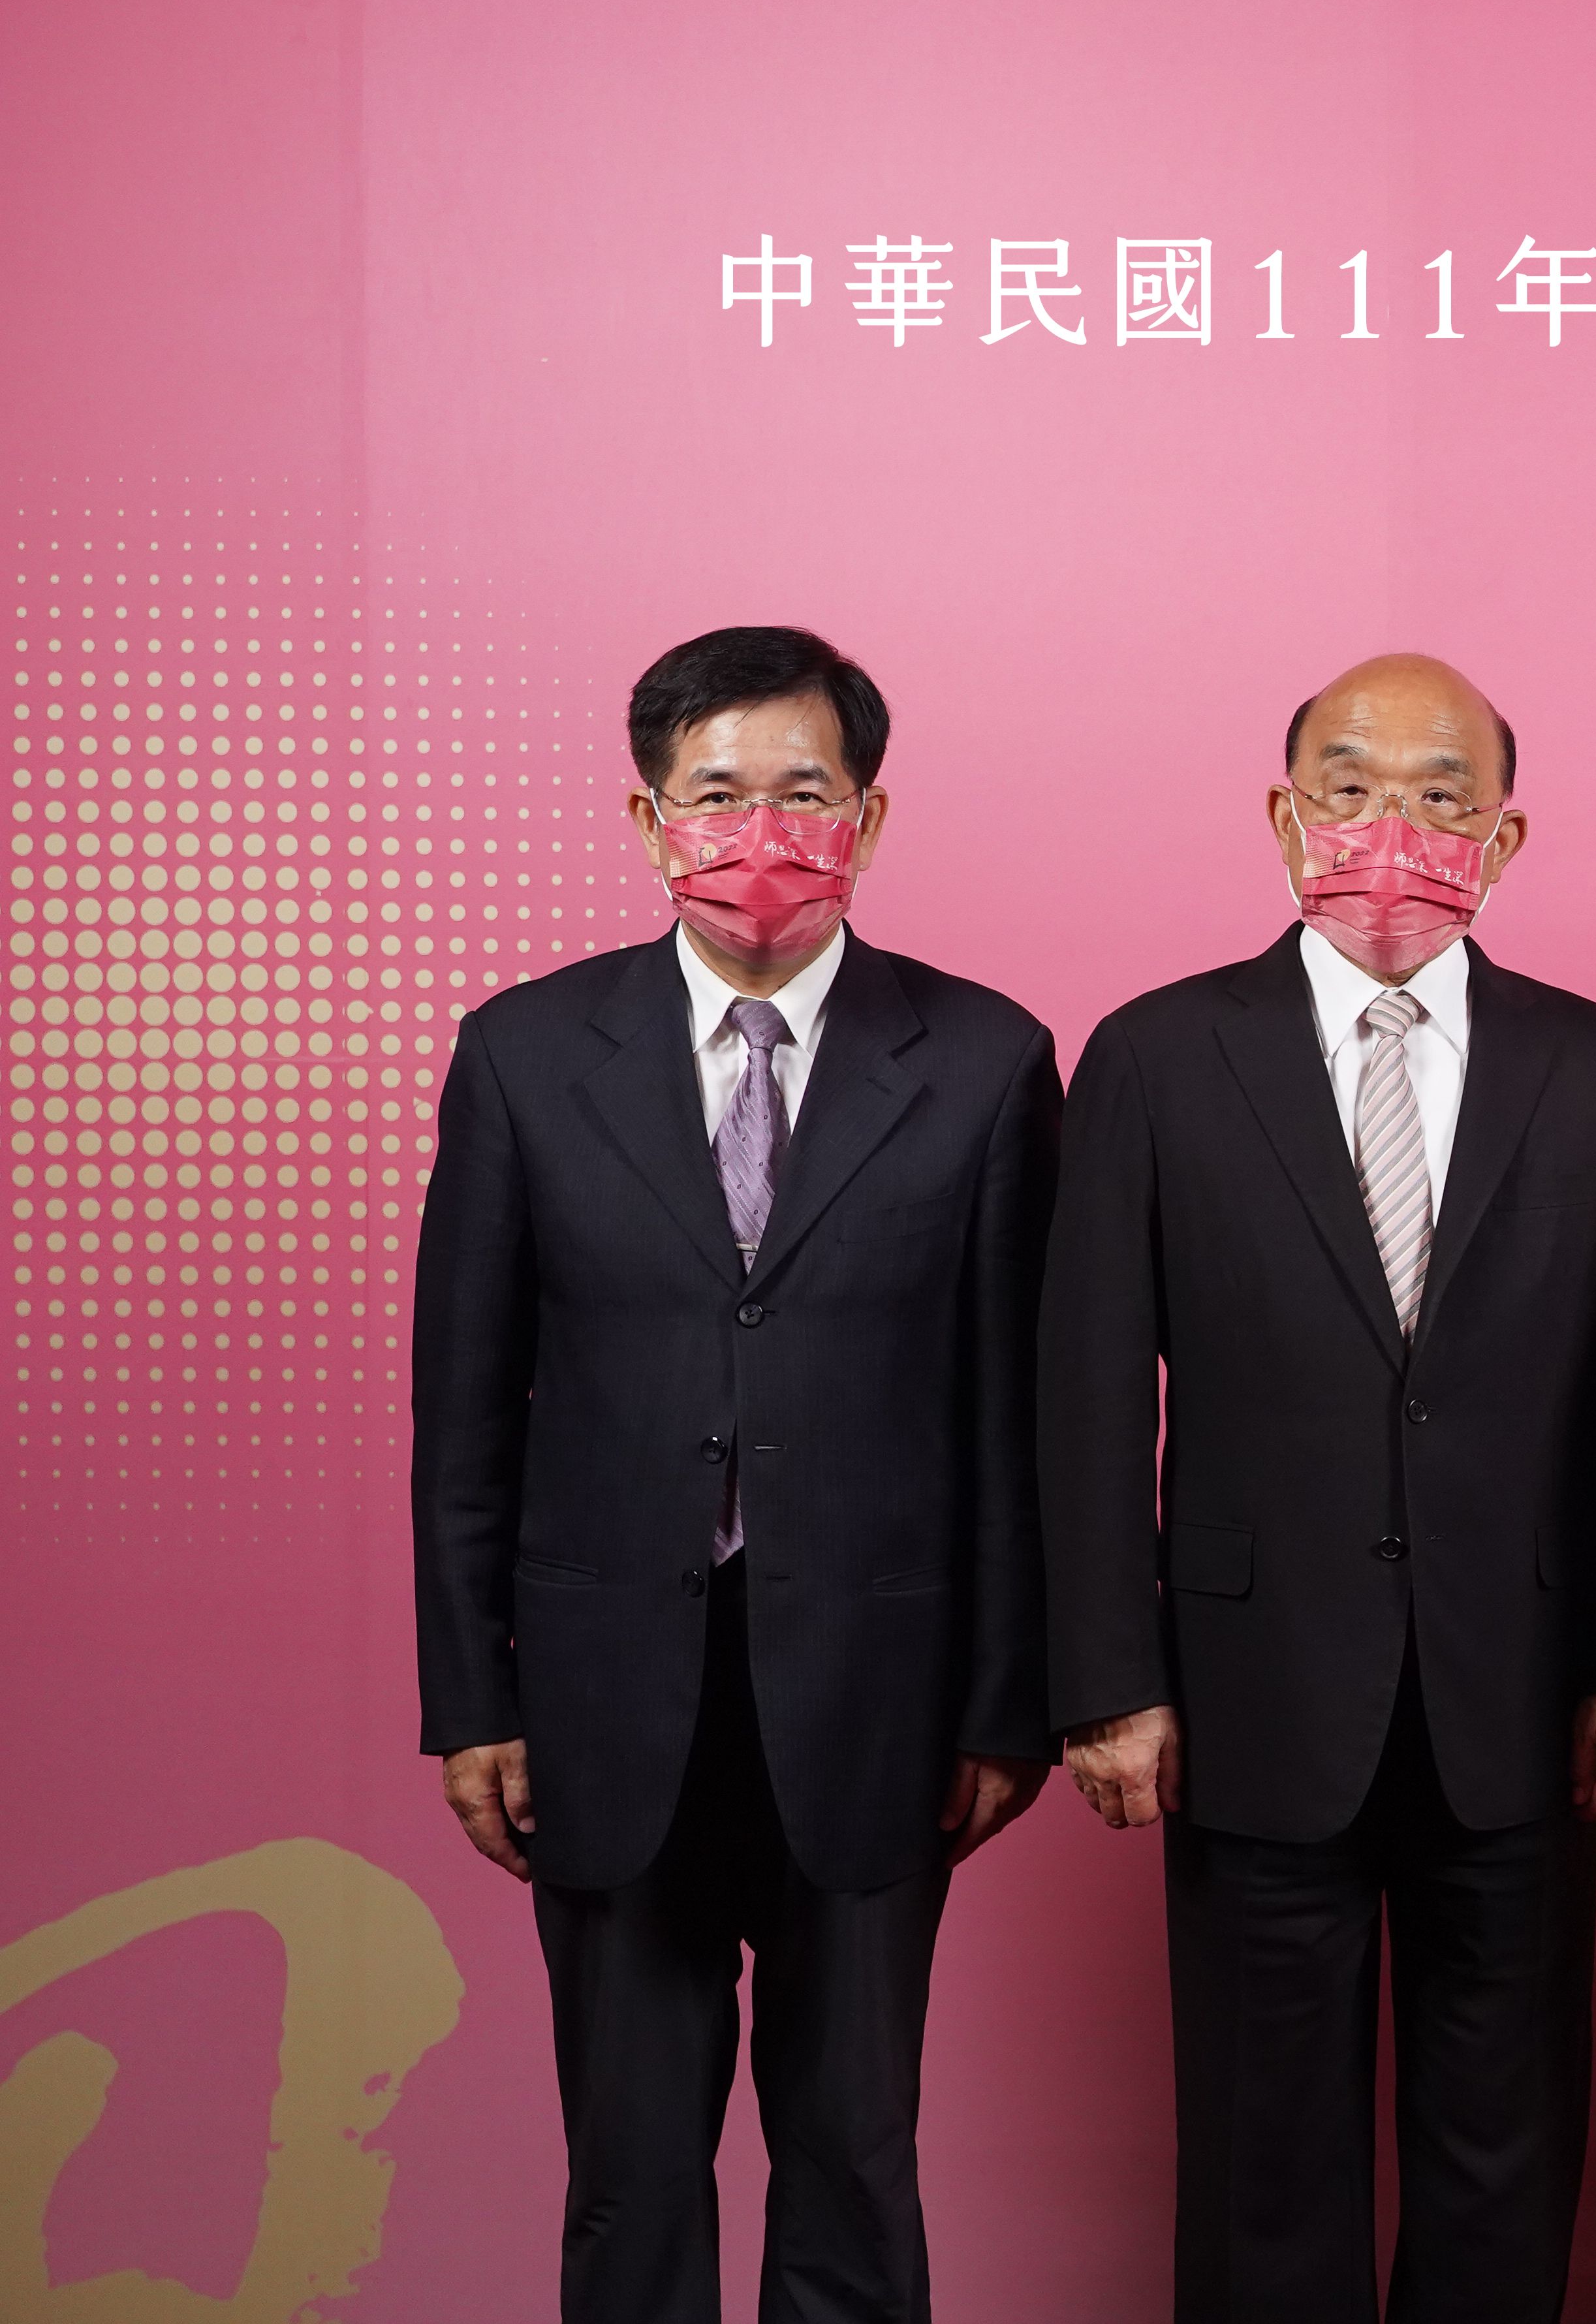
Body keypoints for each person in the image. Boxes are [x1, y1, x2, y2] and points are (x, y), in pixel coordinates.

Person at [1038, 652, 1596, 2324]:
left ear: (1505, 836)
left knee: (1505, 2148)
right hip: (1250, 1692)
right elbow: (1089, 1393)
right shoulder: (1158, 1055)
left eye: (1440, 795)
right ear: (1284, 818)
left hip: (1524, 1693)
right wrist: (1110, 1679)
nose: (1389, 827)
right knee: (1263, 2156)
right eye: (1347, 787)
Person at [411, 626, 1061, 2324]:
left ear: (870, 815)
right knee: (630, 2172)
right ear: (648, 819)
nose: (757, 832)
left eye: (802, 791)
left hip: (879, 1699)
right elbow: (465, 1413)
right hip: (606, 1697)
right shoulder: (524, 1055)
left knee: (854, 2157)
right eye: (714, 793)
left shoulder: (987, 1060)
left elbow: (1020, 1414)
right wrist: (473, 1696)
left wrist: (1006, 1700)